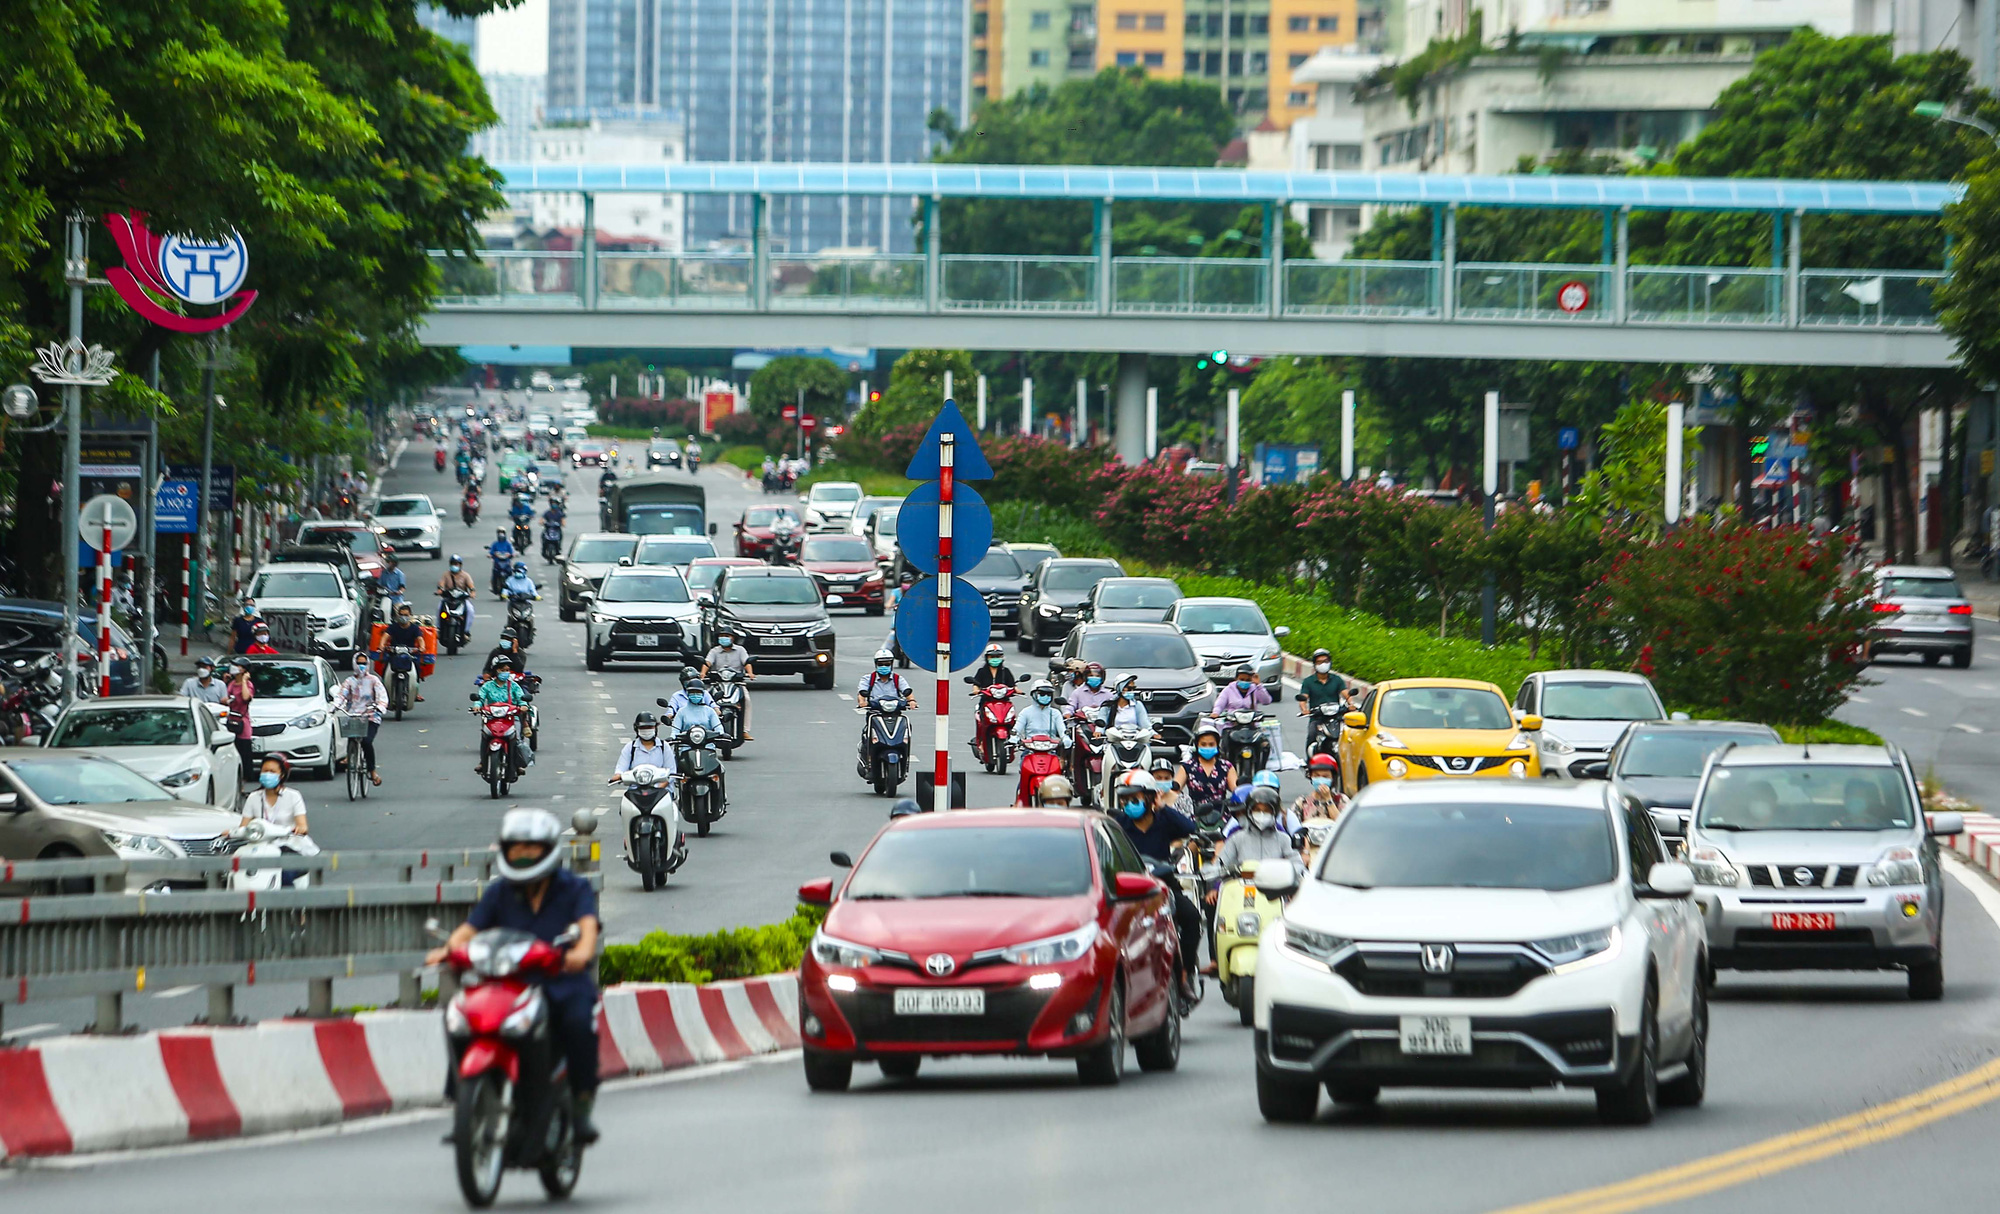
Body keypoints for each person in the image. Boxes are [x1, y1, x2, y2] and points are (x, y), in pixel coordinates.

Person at [428, 809, 601, 1143]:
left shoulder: (573, 888)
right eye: (516, 848)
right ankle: (461, 1098)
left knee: (579, 1023)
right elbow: (469, 929)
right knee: (459, 1017)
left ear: (548, 849)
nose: (523, 854)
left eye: (531, 848)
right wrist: (448, 949)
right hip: (510, 983)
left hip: (561, 981)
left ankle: (580, 1108)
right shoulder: (500, 892)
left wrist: (580, 954)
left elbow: (587, 927)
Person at [1108, 771, 1203, 1001]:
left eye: (1135, 798)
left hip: (1163, 885)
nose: (1128, 804)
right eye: (1124, 799)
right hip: (1129, 889)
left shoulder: (1165, 819)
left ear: (1151, 798)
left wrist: (1164, 808)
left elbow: (1192, 829)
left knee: (1191, 917)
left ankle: (1184, 974)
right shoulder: (1118, 824)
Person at [239, 755, 317, 881]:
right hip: (260, 848)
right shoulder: (253, 797)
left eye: (272, 771)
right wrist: (232, 832)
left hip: (290, 847)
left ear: (282, 775)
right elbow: (243, 826)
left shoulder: (293, 796)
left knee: (284, 875)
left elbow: (302, 825)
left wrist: (300, 829)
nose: (267, 774)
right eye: (265, 771)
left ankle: (286, 900)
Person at [1215, 784, 1300, 880]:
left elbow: (1296, 863)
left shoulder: (1283, 839)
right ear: (1249, 812)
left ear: (1274, 813)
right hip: (1242, 889)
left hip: (1274, 889)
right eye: (1257, 810)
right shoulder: (1237, 838)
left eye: (1267, 811)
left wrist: (1290, 873)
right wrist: (1213, 877)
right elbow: (1220, 864)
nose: (1262, 814)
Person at [333, 655, 388, 785]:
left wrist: (380, 707)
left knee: (367, 741)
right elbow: (341, 696)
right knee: (351, 735)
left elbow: (382, 696)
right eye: (359, 663)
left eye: (363, 663)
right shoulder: (349, 681)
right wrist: (335, 706)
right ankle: (350, 754)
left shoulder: (374, 680)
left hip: (370, 716)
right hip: (353, 716)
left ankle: (372, 771)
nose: (361, 666)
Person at [856, 649, 916, 767]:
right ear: (876, 664)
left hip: (895, 714)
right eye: (881, 664)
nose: (884, 666)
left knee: (907, 729)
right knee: (867, 734)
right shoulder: (868, 679)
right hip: (875, 714)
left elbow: (907, 691)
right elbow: (861, 693)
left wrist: (912, 701)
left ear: (892, 664)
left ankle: (905, 758)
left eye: (887, 664)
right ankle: (867, 758)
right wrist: (862, 702)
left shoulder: (898, 679)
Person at [474, 657, 534, 769]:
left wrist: (523, 706)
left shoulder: (514, 686)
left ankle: (517, 764)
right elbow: (480, 698)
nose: (505, 672)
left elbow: (521, 699)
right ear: (496, 670)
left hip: (511, 718)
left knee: (516, 739)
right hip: (491, 718)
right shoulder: (487, 686)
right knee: (485, 737)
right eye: (502, 670)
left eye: (507, 670)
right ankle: (483, 762)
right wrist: (477, 706)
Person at [1295, 648, 1354, 749]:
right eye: (1319, 662)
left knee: (1349, 736)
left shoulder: (1337, 680)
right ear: (1315, 664)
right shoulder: (1308, 682)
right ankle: (1310, 760)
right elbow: (1303, 698)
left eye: (1325, 661)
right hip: (1317, 717)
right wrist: (1304, 710)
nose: (1323, 664)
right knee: (1312, 735)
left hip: (1335, 717)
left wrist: (1351, 704)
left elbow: (1346, 694)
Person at [700, 632, 754, 740]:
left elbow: (747, 662)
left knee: (746, 700)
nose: (724, 638)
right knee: (704, 700)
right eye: (721, 636)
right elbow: (707, 663)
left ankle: (744, 730)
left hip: (736, 683)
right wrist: (703, 674)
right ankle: (703, 728)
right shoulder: (714, 651)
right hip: (717, 683)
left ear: (733, 638)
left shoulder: (740, 650)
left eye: (727, 636)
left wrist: (750, 673)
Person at [1182, 723, 1237, 815]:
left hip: (1221, 814)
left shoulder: (1226, 766)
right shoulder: (1187, 766)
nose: (1207, 747)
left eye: (1211, 744)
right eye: (1203, 744)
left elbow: (1236, 790)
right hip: (1195, 814)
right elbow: (1175, 789)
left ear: (1217, 745)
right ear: (1197, 745)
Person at [378, 602, 427, 701]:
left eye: (406, 615)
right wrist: (381, 646)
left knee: (417, 668)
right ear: (397, 615)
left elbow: (420, 639)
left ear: (410, 616)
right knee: (384, 668)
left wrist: (422, 647)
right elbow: (385, 636)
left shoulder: (414, 628)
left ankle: (416, 692)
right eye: (401, 615)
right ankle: (382, 692)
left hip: (410, 654)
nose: (403, 617)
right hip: (394, 654)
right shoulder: (393, 627)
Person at [222, 660, 257, 785]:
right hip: (231, 720)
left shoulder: (248, 684)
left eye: (238, 666)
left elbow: (246, 698)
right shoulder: (231, 684)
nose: (234, 668)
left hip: (243, 722)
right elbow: (225, 698)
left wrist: (243, 681)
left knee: (244, 751)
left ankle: (245, 777)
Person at [1015, 680, 1070, 748]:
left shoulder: (1055, 713)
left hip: (1050, 750)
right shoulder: (1025, 712)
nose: (1046, 696)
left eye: (1048, 694)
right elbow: (1017, 730)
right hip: (1030, 750)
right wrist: (1014, 738)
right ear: (1034, 694)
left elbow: (1062, 731)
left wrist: (1066, 738)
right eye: (1042, 694)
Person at [1292, 753, 1345, 823]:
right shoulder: (1301, 803)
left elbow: (1343, 825)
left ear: (1332, 778)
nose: (1321, 780)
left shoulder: (1341, 800)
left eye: (1325, 776)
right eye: (1317, 776)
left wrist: (1328, 799)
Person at [436, 554, 477, 630]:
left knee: (470, 610)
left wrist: (472, 592)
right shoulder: (446, 575)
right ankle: (439, 628)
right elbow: (441, 584)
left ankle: (466, 631)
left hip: (461, 599)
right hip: (448, 598)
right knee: (439, 608)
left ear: (460, 565)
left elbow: (471, 586)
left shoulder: (465, 575)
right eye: (452, 564)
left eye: (456, 564)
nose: (454, 566)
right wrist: (440, 590)